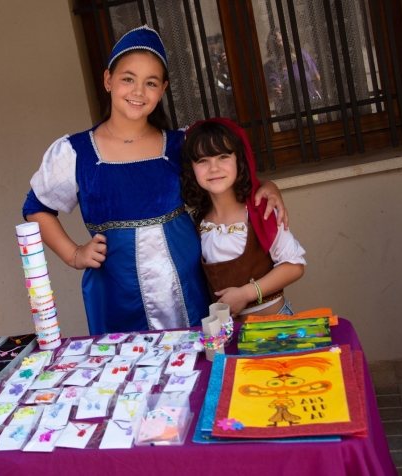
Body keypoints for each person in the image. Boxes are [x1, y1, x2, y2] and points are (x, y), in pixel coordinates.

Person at [22, 25, 288, 334]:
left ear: (162, 89)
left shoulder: (181, 144)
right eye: (128, 79)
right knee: (130, 372)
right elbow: (36, 206)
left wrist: (267, 185)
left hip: (191, 287)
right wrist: (74, 254)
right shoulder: (75, 153)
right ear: (108, 80)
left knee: (198, 366)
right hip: (118, 294)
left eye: (150, 83)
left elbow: (226, 173)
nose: (138, 91)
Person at [180, 118, 305, 319]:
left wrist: (246, 293)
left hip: (273, 326)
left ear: (239, 160)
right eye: (202, 160)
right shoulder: (198, 222)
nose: (214, 168)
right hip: (228, 333)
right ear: (190, 168)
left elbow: (294, 265)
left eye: (223, 157)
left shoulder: (260, 211)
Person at [263, 28, 323, 131]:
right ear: (270, 46)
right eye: (274, 43)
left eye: (280, 41)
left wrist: (323, 104)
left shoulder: (302, 56)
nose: (278, 45)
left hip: (310, 112)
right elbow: (265, 100)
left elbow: (318, 79)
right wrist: (273, 95)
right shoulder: (268, 68)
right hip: (288, 120)